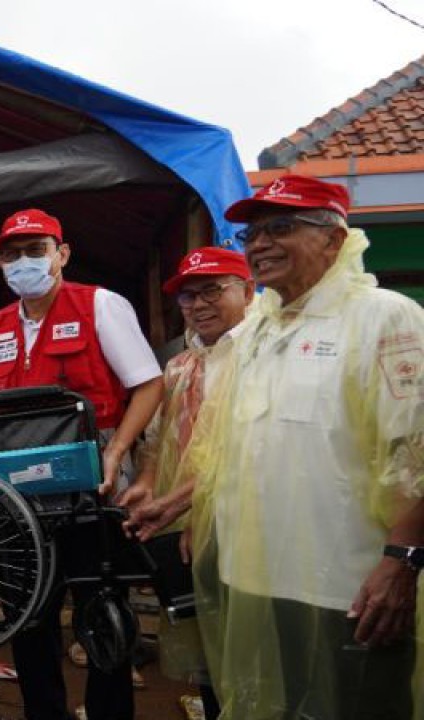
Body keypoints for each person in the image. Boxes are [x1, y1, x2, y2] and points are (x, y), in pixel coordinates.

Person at [183, 174, 424, 719]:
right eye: (251, 235)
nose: (259, 245)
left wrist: (402, 562)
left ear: (334, 240)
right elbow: (237, 445)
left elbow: (416, 451)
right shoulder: (256, 333)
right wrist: (188, 504)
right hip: (260, 579)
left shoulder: (385, 317)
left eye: (281, 228)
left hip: (352, 587)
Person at [0, 208, 162, 720]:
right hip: (17, 494)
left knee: (101, 615)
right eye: (10, 255)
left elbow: (148, 383)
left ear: (62, 254)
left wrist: (118, 449)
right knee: (27, 617)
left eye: (35, 251)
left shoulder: (100, 304)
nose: (22, 262)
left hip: (92, 485)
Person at [117, 246, 255, 719]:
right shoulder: (180, 366)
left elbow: (250, 452)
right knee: (210, 644)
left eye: (212, 290)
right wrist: (148, 483)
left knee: (256, 644)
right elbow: (157, 439)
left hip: (253, 526)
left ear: (249, 290)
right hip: (187, 526)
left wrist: (186, 504)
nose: (198, 304)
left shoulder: (264, 354)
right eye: (188, 296)